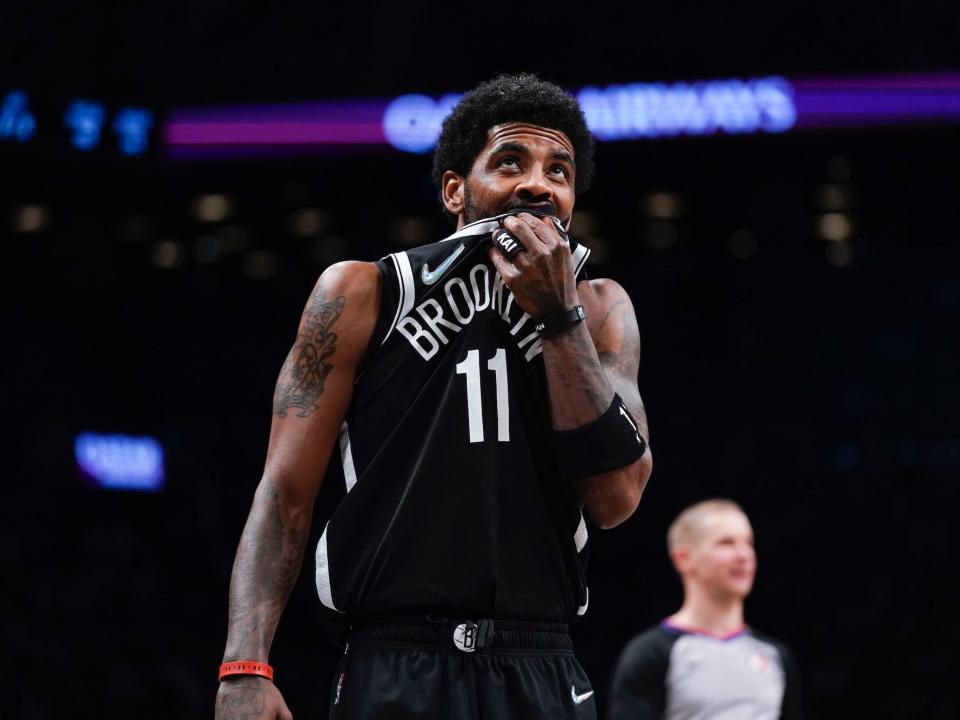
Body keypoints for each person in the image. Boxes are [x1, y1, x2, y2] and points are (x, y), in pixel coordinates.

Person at [215, 73, 653, 720]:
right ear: (455, 189)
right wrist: (244, 667)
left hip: (539, 661)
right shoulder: (363, 292)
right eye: (511, 162)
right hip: (395, 658)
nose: (538, 183)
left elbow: (617, 499)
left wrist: (558, 318)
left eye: (559, 171)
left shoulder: (598, 305)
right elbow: (283, 494)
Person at [607, 500, 802, 719]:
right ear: (684, 558)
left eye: (749, 543)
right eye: (726, 543)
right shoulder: (650, 653)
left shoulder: (776, 655)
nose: (743, 555)